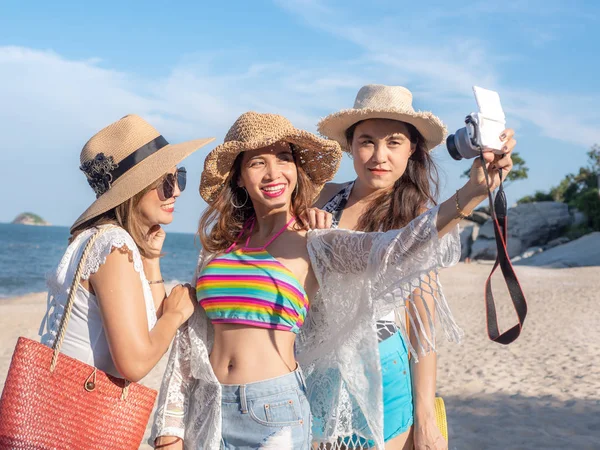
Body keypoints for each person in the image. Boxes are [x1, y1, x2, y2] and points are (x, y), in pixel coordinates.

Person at [151, 110, 514, 450]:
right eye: (257, 162)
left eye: (283, 159)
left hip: (273, 409)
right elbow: (193, 338)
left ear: (297, 170)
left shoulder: (316, 241)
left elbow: (396, 247)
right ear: (239, 177)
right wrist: (169, 428)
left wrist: (472, 193)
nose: (273, 173)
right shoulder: (219, 245)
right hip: (208, 406)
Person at [311, 84, 515, 449]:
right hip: (317, 369)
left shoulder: (418, 217)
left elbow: (422, 324)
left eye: (393, 142)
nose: (378, 155)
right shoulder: (324, 198)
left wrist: (424, 415)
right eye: (366, 141)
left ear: (412, 150)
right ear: (351, 146)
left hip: (383, 370)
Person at [39, 114, 214, 383]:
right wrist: (177, 312)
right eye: (166, 181)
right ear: (134, 189)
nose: (177, 191)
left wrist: (151, 259)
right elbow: (135, 363)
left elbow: (152, 336)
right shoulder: (112, 247)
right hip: (75, 411)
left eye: (179, 177)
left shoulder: (104, 239)